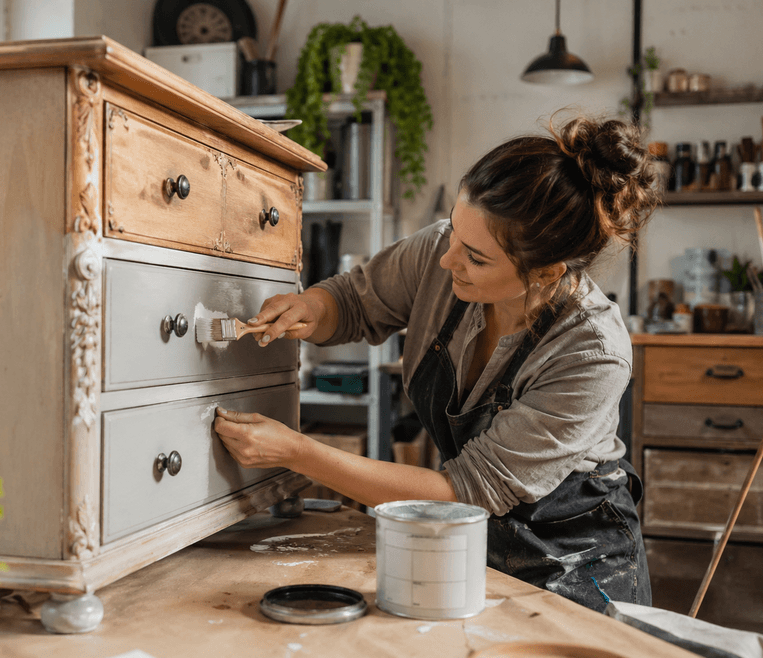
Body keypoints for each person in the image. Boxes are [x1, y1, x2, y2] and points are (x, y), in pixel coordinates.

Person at [214, 113, 659, 612]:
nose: (447, 260)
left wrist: (298, 454)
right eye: (453, 231)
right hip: (474, 537)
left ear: (547, 271)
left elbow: (464, 492)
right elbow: (357, 301)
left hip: (577, 562)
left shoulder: (590, 353)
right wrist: (312, 307)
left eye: (475, 257)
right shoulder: (439, 252)